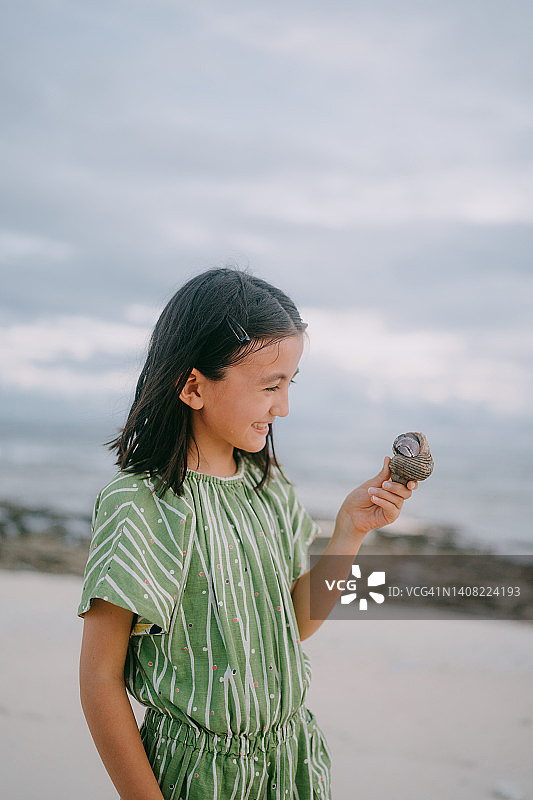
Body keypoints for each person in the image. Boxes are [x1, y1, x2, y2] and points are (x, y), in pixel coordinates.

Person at [78, 267, 417, 800]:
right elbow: (100, 682)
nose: (284, 407)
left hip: (292, 763)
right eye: (269, 386)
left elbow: (293, 624)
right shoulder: (141, 505)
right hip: (197, 779)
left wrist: (349, 533)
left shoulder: (269, 489)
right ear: (194, 386)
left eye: (289, 383)